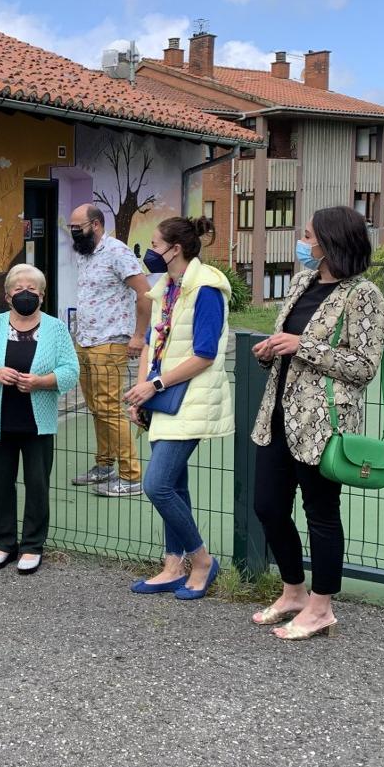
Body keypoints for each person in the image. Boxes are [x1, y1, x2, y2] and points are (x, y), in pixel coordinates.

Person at [250, 205, 384, 641]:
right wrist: (272, 350)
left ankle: (321, 607)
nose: (302, 241)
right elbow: (291, 345)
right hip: (277, 415)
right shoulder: (301, 283)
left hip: (323, 424)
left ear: (330, 243)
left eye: (308, 235)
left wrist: (302, 346)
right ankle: (294, 591)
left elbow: (364, 367)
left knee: (321, 513)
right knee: (268, 506)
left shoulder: (363, 295)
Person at [122, 217, 231, 600]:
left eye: (155, 244)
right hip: (164, 396)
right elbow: (152, 344)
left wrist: (153, 386)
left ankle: (201, 561)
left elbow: (205, 354)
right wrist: (141, 390)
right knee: (175, 486)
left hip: (190, 398)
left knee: (157, 485)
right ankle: (173, 566)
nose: (149, 251)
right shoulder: (165, 288)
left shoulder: (207, 289)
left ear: (175, 248)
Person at [0, 264, 78, 574]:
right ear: (7, 295)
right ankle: (3, 543)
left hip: (37, 422)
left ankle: (32, 545)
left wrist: (41, 382)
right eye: (18, 289)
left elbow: (71, 369)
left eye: (32, 289)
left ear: (42, 295)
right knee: (0, 483)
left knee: (37, 484)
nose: (25, 294)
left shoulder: (56, 328)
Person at [66, 203, 152, 497]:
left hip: (111, 340)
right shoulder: (85, 253)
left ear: (96, 225)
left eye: (78, 227)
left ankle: (131, 475)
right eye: (70, 228)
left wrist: (138, 336)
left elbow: (144, 292)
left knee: (109, 408)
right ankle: (104, 465)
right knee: (96, 407)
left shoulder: (117, 252)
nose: (74, 232)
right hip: (85, 339)